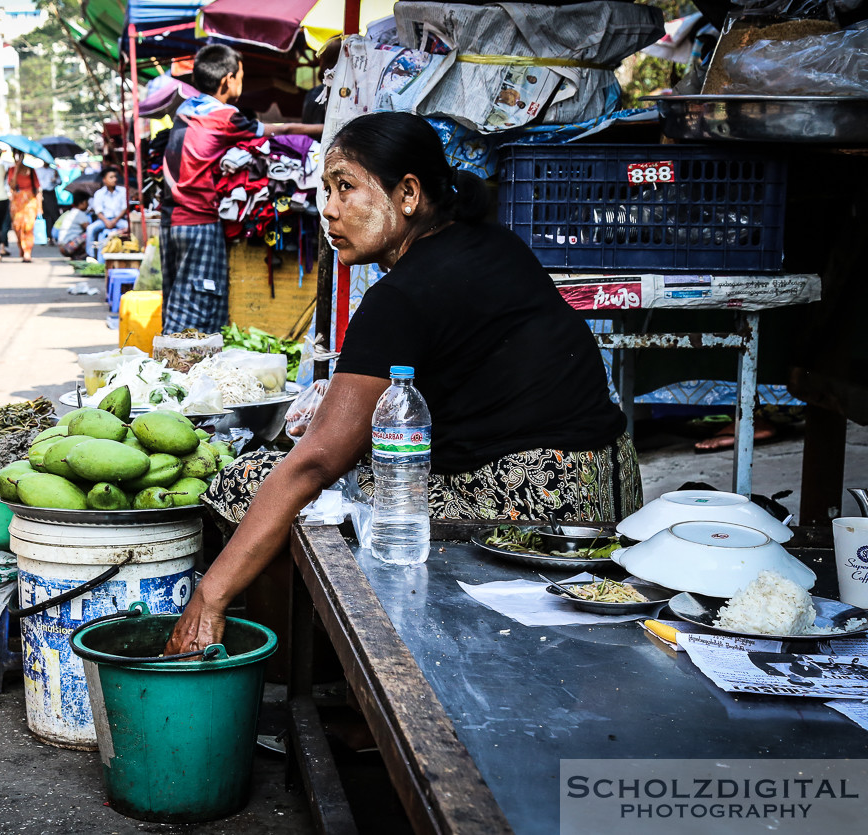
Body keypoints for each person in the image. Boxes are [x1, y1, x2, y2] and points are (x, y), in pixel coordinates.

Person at [164, 112, 639, 655]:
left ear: (408, 193)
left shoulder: (402, 295)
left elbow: (320, 460)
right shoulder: (491, 245)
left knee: (253, 481)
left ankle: (293, 667)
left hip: (537, 505)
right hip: (606, 482)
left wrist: (211, 593)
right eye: (325, 189)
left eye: (346, 187)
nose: (330, 209)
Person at [160, 45, 323, 334]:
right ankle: (175, 368)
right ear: (227, 81)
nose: (241, 83)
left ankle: (172, 365)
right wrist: (327, 128)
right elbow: (280, 131)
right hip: (199, 221)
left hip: (171, 221)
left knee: (177, 296)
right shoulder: (224, 117)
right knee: (198, 303)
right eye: (241, 76)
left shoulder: (185, 110)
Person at [86, 168, 128, 261]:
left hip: (118, 220)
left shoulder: (123, 191)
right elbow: (98, 211)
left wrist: (114, 221)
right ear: (104, 180)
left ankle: (129, 251)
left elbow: (124, 208)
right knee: (90, 229)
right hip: (103, 220)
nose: (114, 179)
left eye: (115, 177)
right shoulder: (99, 193)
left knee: (128, 227)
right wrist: (106, 221)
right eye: (111, 177)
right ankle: (91, 255)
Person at [7, 150, 42, 263]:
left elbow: (37, 190)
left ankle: (27, 251)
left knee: (28, 227)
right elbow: (12, 185)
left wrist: (40, 207)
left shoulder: (31, 171)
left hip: (30, 202)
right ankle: (21, 247)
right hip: (17, 202)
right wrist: (16, 169)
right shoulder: (12, 170)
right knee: (17, 227)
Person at [55, 193, 92, 259]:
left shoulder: (72, 212)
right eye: (87, 202)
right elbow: (89, 228)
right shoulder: (79, 213)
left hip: (63, 246)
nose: (88, 205)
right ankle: (90, 255)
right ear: (82, 203)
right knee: (89, 234)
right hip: (68, 247)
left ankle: (77, 256)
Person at [36, 162, 61, 231]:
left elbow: (59, 182)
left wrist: (56, 177)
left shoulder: (53, 170)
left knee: (54, 213)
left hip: (51, 194)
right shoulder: (38, 170)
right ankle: (48, 234)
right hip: (43, 193)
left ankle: (54, 232)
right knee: (46, 214)